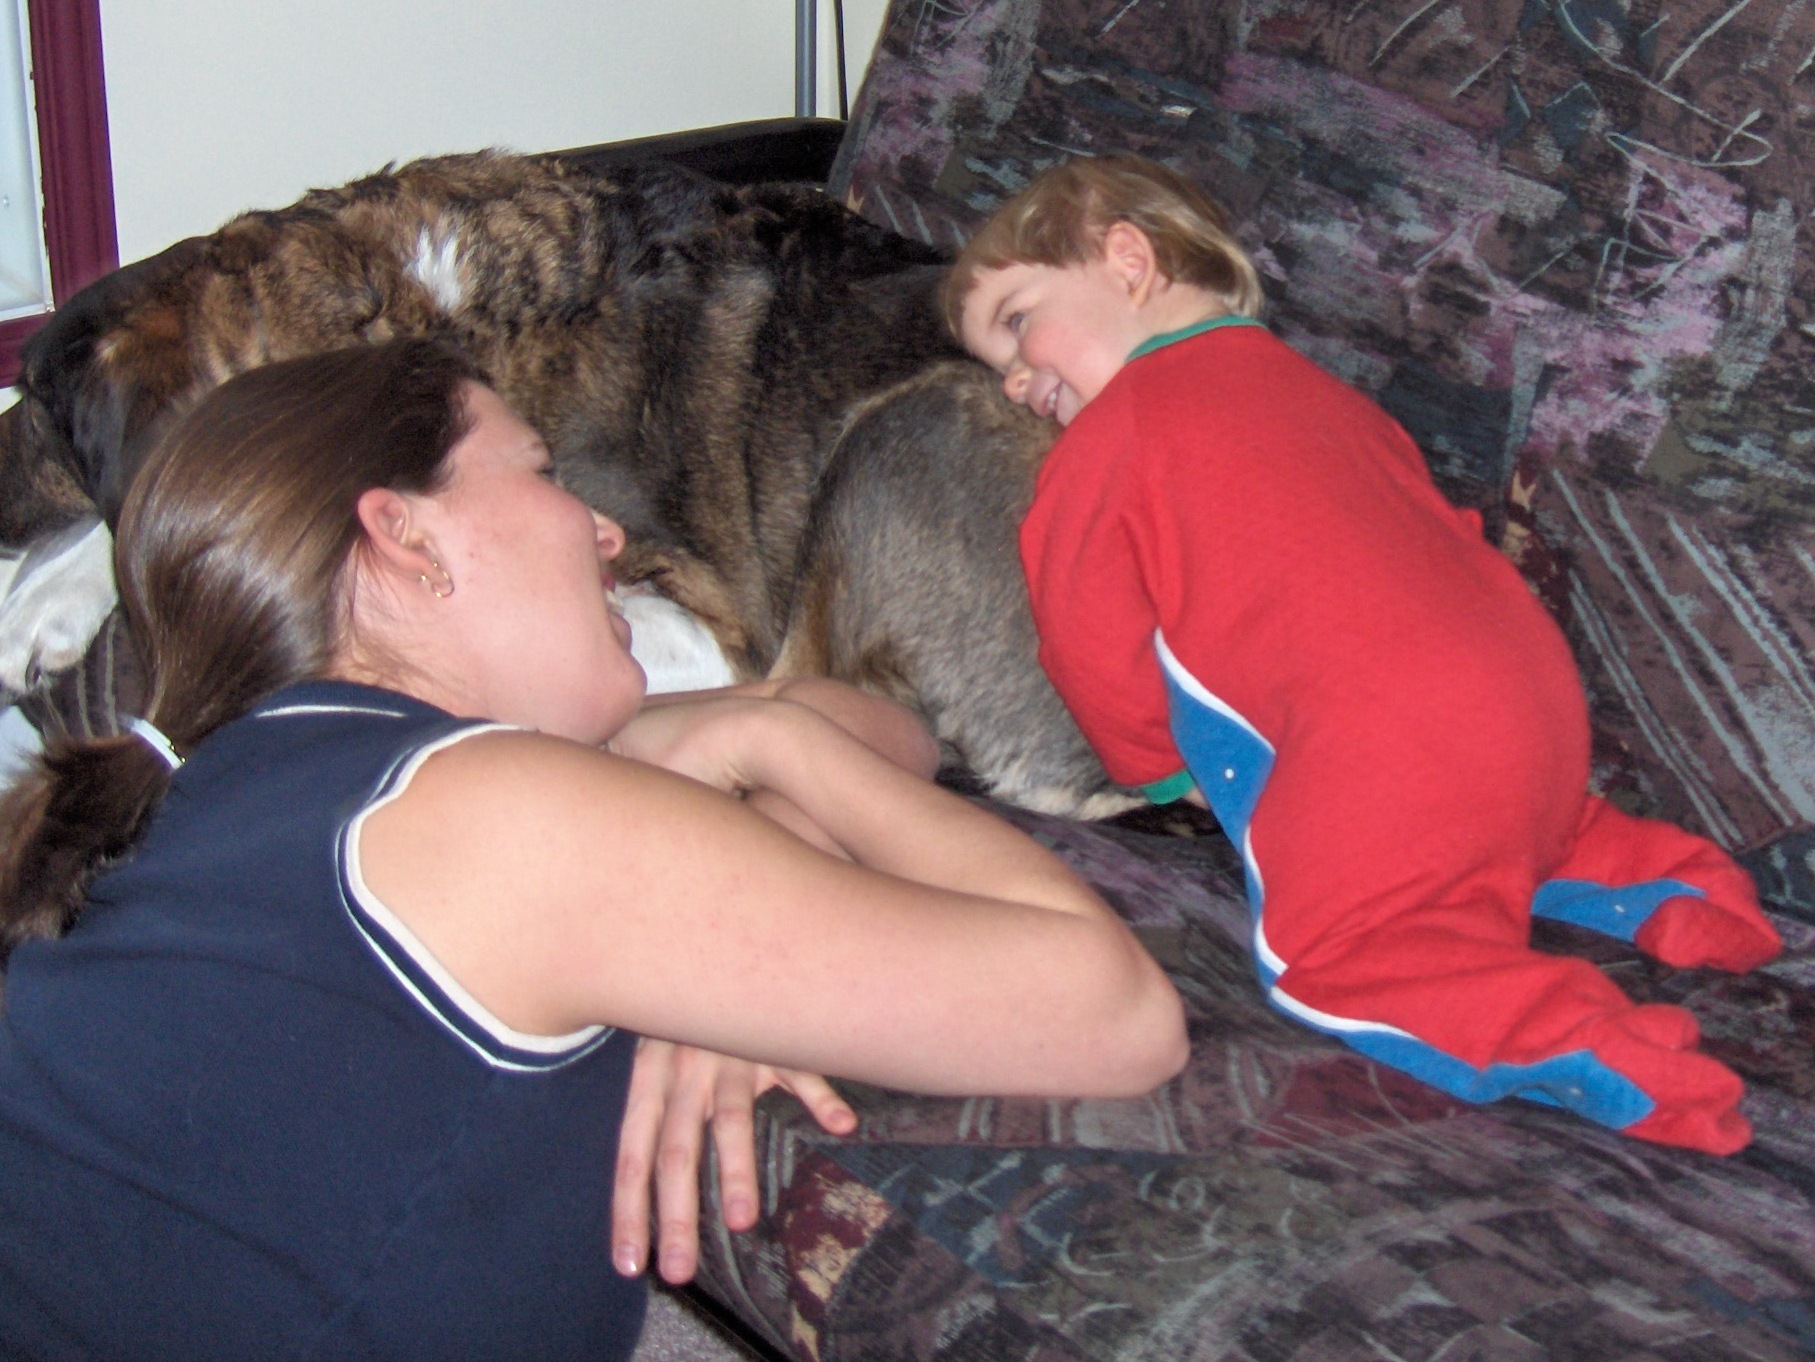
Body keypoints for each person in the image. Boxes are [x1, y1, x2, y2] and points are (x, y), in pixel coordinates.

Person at [0, 339, 1188, 1360]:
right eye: (542, 471)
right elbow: (1117, 1014)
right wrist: (768, 747)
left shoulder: (249, 782)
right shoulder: (489, 816)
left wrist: (752, 864)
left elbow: (884, 732)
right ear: (405, 537)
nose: (608, 531)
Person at [944, 153, 1783, 1155]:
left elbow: (1085, 630)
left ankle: (1579, 1040)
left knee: (1333, 955)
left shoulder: (1104, 442)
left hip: (1381, 737)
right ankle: (1675, 881)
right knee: (1511, 824)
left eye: (1016, 322)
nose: (1013, 380)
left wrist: (1157, 771)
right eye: (995, 363)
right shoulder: (1321, 392)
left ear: (1127, 259)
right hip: (1529, 696)